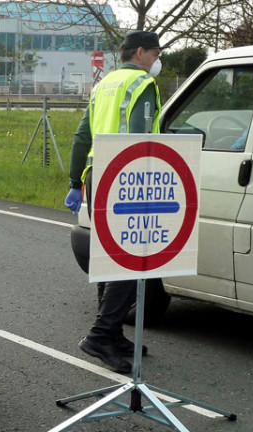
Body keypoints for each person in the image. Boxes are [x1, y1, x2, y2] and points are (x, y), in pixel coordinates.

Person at [64, 30, 163, 373]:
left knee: (109, 254)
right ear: (140, 53)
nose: (156, 61)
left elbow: (82, 136)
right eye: (154, 54)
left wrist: (76, 181)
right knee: (131, 257)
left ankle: (113, 331)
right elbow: (144, 137)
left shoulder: (103, 84)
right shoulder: (142, 85)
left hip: (98, 175)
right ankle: (101, 334)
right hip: (128, 176)